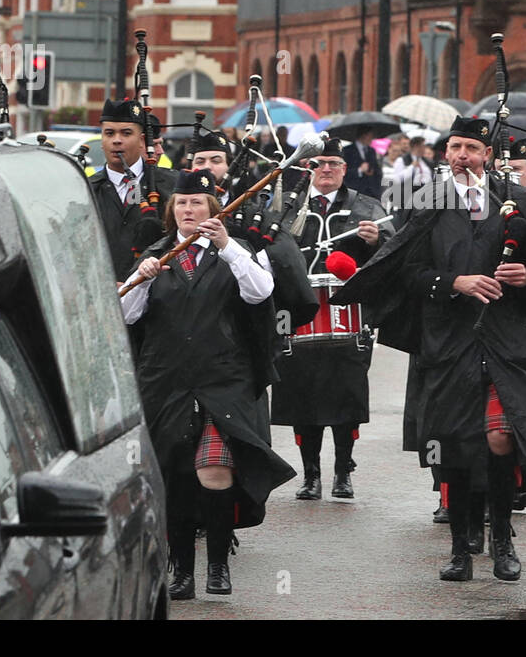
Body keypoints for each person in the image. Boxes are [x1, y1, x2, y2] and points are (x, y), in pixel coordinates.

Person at [334, 116, 526, 582]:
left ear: (487, 156)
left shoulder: (519, 201)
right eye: (455, 147)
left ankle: (502, 539)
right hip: (448, 343)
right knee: (455, 448)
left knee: (502, 439)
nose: (462, 156)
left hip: (504, 340)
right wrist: (452, 282)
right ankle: (461, 547)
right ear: (446, 155)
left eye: (471, 149)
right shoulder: (427, 204)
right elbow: (407, 270)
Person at [120, 169, 294, 598]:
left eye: (197, 202)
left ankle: (218, 565)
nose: (188, 209)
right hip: (167, 382)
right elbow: (125, 315)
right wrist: (140, 279)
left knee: (214, 470)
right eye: (181, 203)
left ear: (213, 209)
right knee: (176, 477)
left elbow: (260, 292)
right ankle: (182, 571)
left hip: (223, 381)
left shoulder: (239, 251)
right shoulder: (157, 255)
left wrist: (227, 246)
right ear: (171, 211)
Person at [272, 139, 394, 500]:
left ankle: (343, 471)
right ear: (308, 168)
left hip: (348, 316)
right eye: (318, 164)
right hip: (299, 312)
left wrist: (375, 242)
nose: (326, 170)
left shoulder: (366, 206)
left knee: (346, 399)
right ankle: (310, 475)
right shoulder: (288, 206)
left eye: (333, 164)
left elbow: (393, 252)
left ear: (345, 169)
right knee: (300, 398)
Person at [88, 99, 179, 280]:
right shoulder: (86, 190)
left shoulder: (171, 186)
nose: (116, 140)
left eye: (126, 133)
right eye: (109, 133)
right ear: (102, 140)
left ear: (142, 140)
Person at [343, 128, 383, 199]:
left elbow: (377, 170)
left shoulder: (371, 151)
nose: (371, 139)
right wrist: (359, 170)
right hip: (354, 190)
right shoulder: (347, 150)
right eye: (370, 136)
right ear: (364, 136)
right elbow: (344, 172)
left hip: (371, 192)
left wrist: (372, 172)